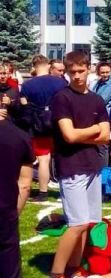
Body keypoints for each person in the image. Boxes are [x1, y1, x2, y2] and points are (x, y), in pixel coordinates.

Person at [48, 50, 110, 278]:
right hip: (71, 167)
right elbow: (69, 135)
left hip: (92, 165)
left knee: (87, 223)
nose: (76, 76)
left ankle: (74, 270)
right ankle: (55, 276)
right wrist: (93, 130)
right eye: (72, 72)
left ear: (89, 69)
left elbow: (105, 136)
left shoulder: (96, 99)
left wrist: (88, 133)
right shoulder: (62, 98)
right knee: (76, 224)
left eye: (81, 71)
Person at [20, 54, 67, 202]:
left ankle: (43, 192)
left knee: (43, 160)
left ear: (34, 67)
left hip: (38, 125)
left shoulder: (28, 85)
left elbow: (23, 105)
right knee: (63, 156)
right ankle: (67, 189)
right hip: (59, 122)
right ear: (48, 65)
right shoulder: (61, 83)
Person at [0, 115, 33, 278]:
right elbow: (25, 183)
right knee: (10, 273)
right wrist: (15, 210)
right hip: (5, 212)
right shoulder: (19, 136)